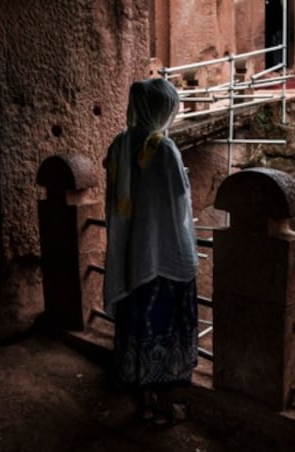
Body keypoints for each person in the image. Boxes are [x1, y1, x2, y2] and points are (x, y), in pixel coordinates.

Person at [103, 78, 199, 426]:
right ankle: (163, 407)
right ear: (163, 109)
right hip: (163, 256)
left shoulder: (119, 145)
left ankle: (144, 401)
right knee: (164, 327)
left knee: (138, 325)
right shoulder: (164, 149)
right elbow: (178, 200)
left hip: (130, 256)